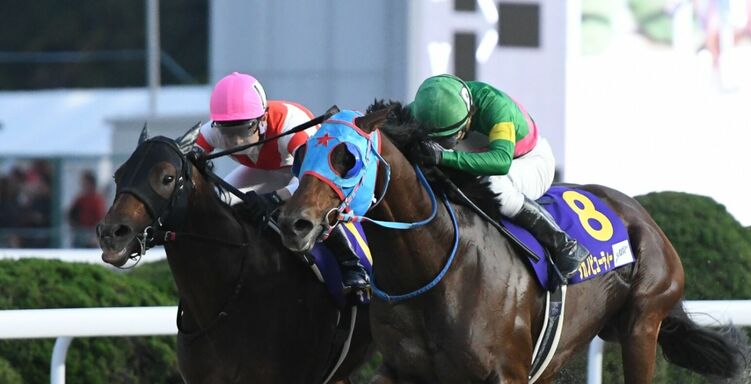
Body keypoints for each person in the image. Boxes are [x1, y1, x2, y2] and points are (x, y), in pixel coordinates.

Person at [194, 72, 368, 293]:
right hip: (264, 170)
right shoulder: (214, 129)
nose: (236, 140)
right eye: (229, 132)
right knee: (219, 202)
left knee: (313, 206)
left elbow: (308, 182)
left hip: (307, 173)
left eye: (242, 130)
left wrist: (273, 199)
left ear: (263, 119)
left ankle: (351, 265)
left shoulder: (290, 126)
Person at [409, 74, 590, 283]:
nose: (443, 143)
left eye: (447, 138)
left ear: (467, 119)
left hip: (528, 161)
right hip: (480, 160)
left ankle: (565, 245)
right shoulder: (430, 106)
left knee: (495, 187)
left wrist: (442, 156)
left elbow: (501, 162)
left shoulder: (497, 107)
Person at [68, 170, 107, 247]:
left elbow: (101, 218)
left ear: (91, 184)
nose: (83, 185)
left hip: (91, 234)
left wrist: (95, 236)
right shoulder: (80, 199)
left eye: (85, 183)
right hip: (80, 233)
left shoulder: (97, 200)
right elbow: (71, 214)